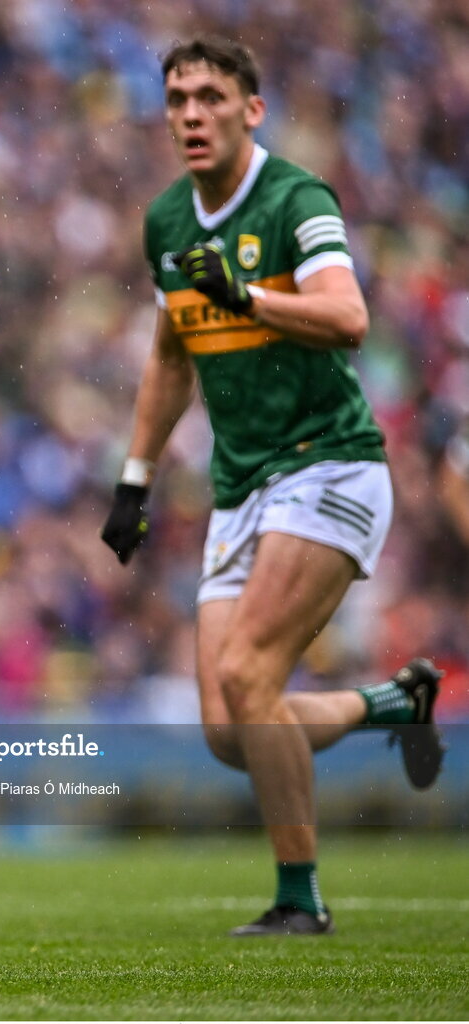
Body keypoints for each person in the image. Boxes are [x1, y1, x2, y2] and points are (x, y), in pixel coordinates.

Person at [101, 36, 445, 936]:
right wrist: (134, 479)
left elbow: (348, 317)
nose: (189, 114)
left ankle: (299, 898)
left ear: (251, 110)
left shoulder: (295, 198)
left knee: (252, 675)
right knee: (226, 729)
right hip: (241, 483)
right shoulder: (166, 222)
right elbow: (172, 349)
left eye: (210, 96)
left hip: (328, 462)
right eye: (176, 97)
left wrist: (247, 295)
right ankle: (391, 702)